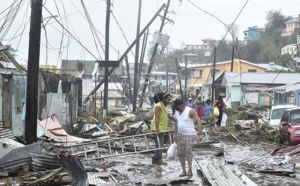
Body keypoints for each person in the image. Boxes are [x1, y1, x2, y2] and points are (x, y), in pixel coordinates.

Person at [173, 98, 201, 177]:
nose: (175, 108)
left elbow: (198, 120)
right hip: (180, 135)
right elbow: (176, 122)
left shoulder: (190, 111)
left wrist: (198, 134)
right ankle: (184, 171)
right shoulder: (177, 112)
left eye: (176, 106)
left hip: (190, 134)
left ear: (180, 105)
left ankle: (190, 170)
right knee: (180, 154)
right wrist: (174, 133)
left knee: (188, 152)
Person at [151, 92, 172, 164]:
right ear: (163, 99)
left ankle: (156, 157)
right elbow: (156, 118)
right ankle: (157, 158)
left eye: (169, 100)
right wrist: (157, 130)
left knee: (161, 142)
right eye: (168, 100)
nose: (169, 101)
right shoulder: (158, 106)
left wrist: (175, 119)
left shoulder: (164, 106)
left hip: (162, 127)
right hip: (157, 126)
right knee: (159, 143)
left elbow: (167, 114)